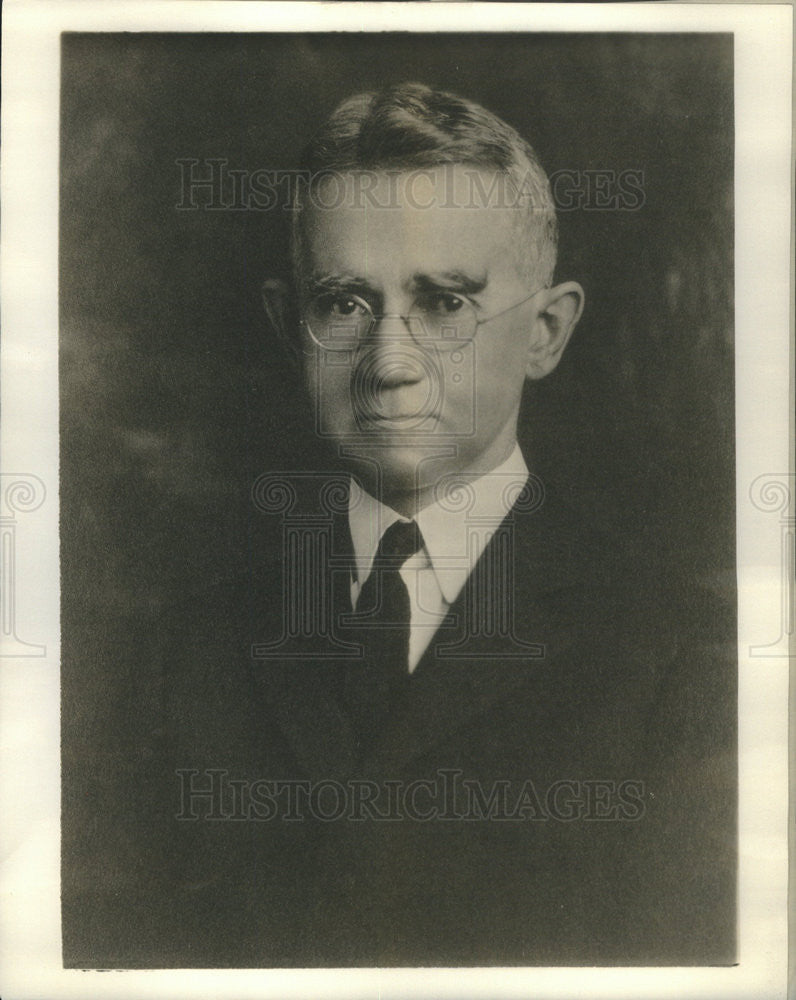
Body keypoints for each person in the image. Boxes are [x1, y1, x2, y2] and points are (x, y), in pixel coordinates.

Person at [63, 82, 736, 969]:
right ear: (287, 323)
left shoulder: (689, 653)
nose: (389, 364)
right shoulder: (176, 650)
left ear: (545, 331)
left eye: (446, 303)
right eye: (344, 304)